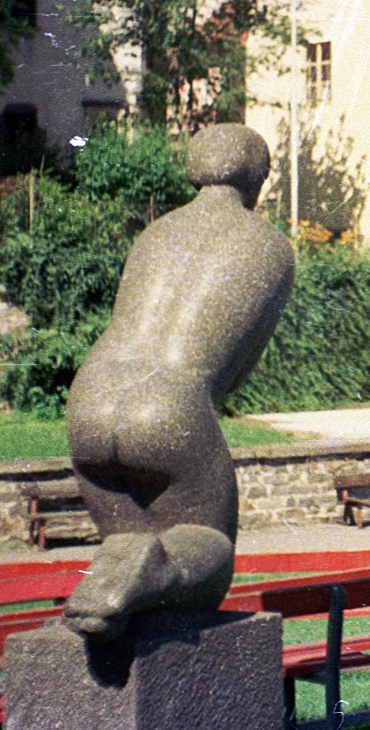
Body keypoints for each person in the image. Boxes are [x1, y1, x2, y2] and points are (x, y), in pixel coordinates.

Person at [62, 124, 295, 640]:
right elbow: (240, 362)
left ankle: (128, 583)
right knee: (205, 545)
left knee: (126, 551)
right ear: (256, 178)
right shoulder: (267, 244)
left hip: (90, 398)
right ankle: (152, 568)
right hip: (171, 403)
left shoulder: (156, 232)